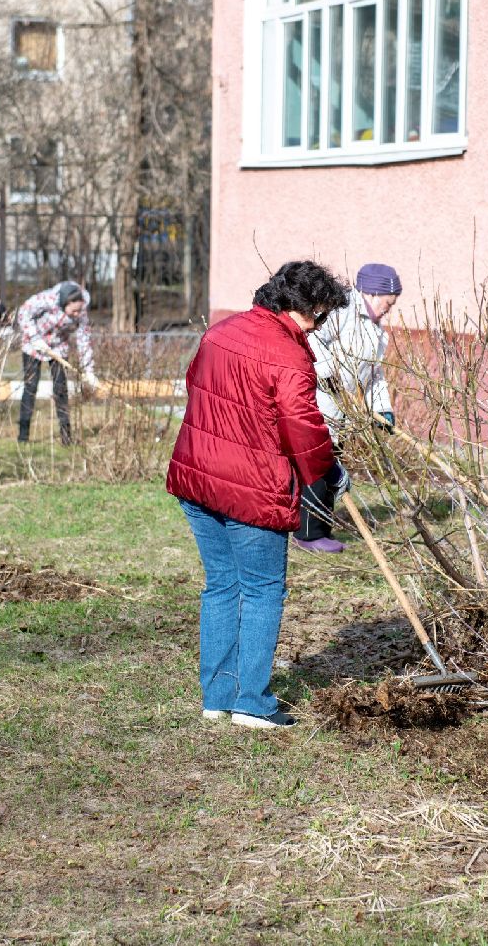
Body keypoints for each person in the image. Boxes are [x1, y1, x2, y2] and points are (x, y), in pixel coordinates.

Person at [166, 260, 351, 729]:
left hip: (197, 477)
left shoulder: (221, 332)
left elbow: (197, 387)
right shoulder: (287, 355)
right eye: (319, 317)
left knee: (223, 585)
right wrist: (327, 469)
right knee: (263, 589)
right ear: (299, 308)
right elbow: (302, 425)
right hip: (252, 490)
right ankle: (251, 702)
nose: (318, 327)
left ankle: (218, 697)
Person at [294, 263, 403, 554]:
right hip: (317, 399)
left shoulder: (378, 334)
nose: (388, 309)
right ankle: (308, 534)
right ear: (373, 292)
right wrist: (329, 376)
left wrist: (382, 409)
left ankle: (319, 528)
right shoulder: (341, 310)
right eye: (388, 302)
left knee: (331, 464)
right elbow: (311, 339)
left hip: (341, 408)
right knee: (317, 465)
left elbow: (374, 375)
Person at [15, 280, 98, 444]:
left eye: (79, 310)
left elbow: (83, 340)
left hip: (58, 347)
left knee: (61, 390)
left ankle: (66, 437)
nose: (77, 314)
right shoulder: (47, 299)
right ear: (66, 302)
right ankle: (23, 437)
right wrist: (34, 337)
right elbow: (23, 312)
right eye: (74, 311)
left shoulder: (81, 311)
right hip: (34, 344)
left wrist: (89, 370)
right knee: (30, 387)